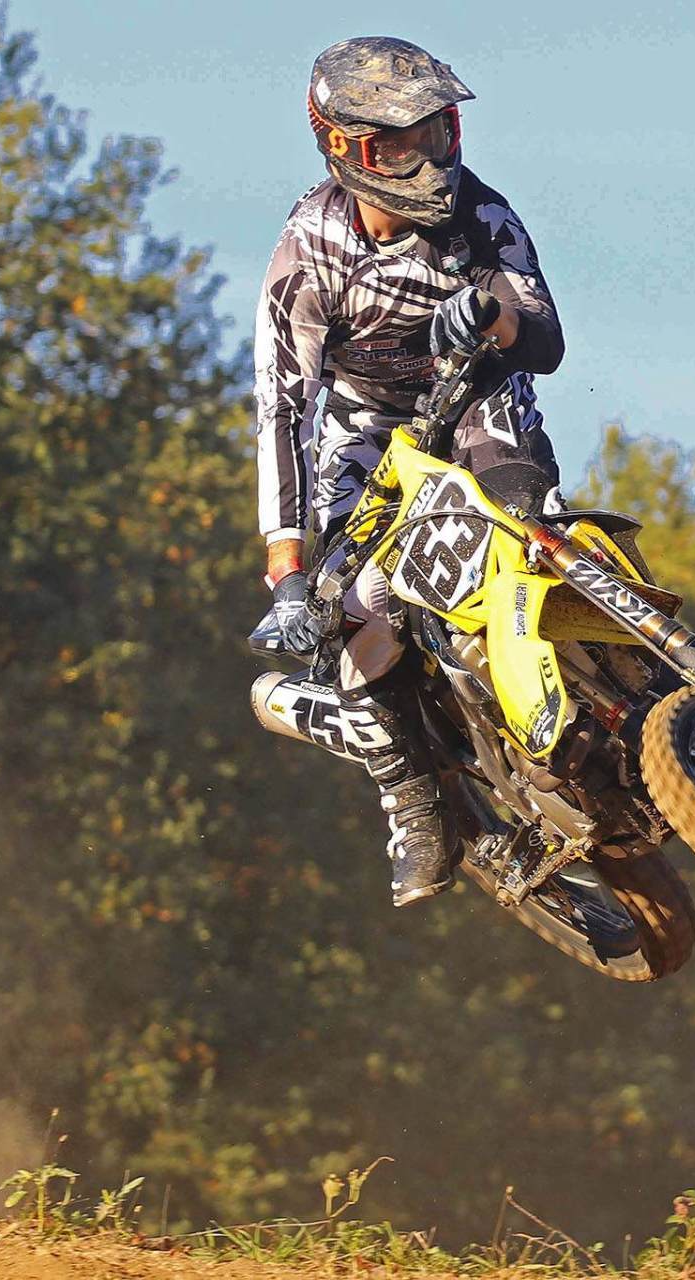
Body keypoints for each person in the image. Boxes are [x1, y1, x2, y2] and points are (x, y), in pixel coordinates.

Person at [252, 36, 564, 906]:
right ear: (345, 149)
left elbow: (546, 338)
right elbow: (280, 408)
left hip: (470, 397)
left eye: (437, 134)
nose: (426, 160)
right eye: (400, 143)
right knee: (347, 614)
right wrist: (287, 571)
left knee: (524, 510)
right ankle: (418, 803)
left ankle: (626, 662)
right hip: (364, 428)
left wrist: (493, 312)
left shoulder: (482, 215)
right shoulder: (305, 255)